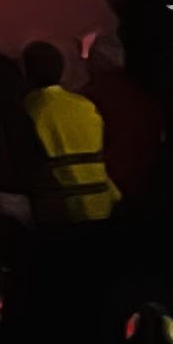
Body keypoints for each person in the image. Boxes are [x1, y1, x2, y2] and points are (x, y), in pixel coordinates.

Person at [25, 39, 120, 223]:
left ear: (28, 73)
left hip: (66, 212)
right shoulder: (85, 105)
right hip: (104, 204)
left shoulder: (30, 108)